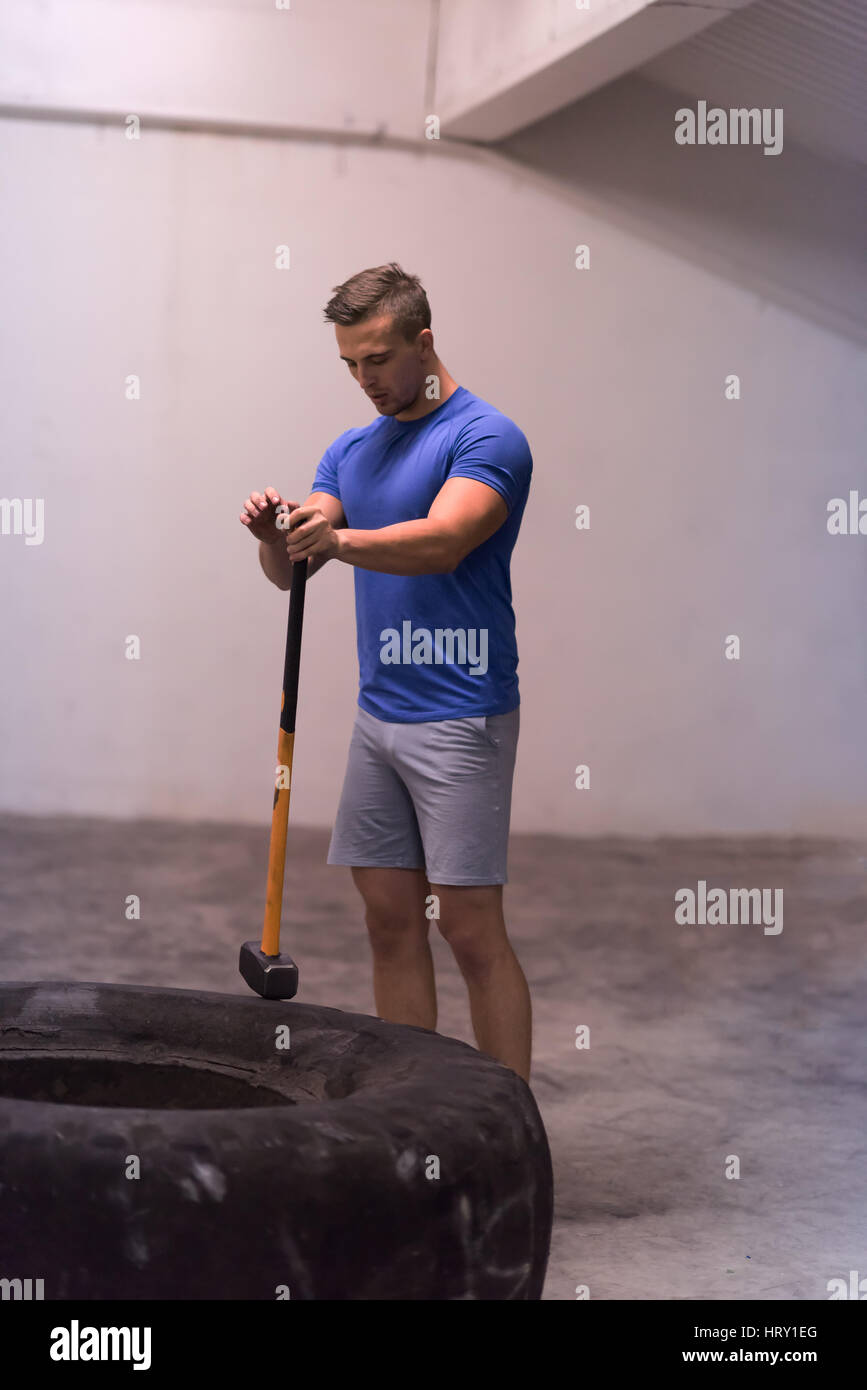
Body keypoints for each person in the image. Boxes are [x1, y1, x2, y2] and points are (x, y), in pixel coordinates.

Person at [240, 262, 534, 1081]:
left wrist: (336, 541)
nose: (365, 380)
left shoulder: (485, 437)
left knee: (470, 930)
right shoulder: (352, 450)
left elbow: (445, 539)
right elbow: (291, 571)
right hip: (380, 720)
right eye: (350, 364)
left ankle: (511, 1124)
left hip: (461, 714)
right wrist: (278, 533)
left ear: (424, 341)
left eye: (377, 358)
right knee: (388, 923)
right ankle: (418, 1113)